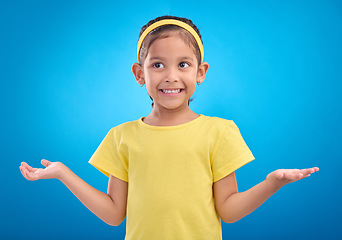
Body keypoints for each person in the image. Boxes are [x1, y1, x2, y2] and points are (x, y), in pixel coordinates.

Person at [19, 15, 319, 240]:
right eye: (158, 65)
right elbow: (113, 215)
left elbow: (228, 210)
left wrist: (273, 183)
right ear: (140, 73)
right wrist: (62, 173)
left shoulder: (219, 132)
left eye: (184, 65)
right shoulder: (121, 137)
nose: (171, 76)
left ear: (200, 72)